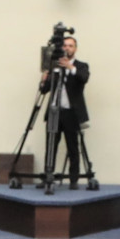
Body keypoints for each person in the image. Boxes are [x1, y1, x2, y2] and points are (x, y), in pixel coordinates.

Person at [38, 35, 89, 190]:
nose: (67, 48)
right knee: (51, 145)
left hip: (71, 113)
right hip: (54, 112)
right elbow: (44, 90)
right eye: (65, 45)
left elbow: (83, 78)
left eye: (70, 46)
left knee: (73, 146)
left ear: (75, 49)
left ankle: (74, 179)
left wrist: (70, 67)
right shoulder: (55, 66)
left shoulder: (81, 66)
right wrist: (44, 79)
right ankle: (48, 176)